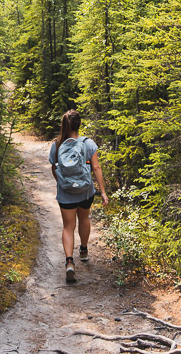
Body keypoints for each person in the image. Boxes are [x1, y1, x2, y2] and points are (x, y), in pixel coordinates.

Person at [49, 110, 109, 283]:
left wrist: (61, 183)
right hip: (85, 191)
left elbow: (54, 167)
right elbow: (96, 168)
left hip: (66, 193)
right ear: (79, 124)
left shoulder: (57, 144)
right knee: (84, 219)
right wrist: (103, 191)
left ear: (64, 125)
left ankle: (69, 262)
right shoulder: (88, 143)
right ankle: (83, 250)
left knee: (68, 226)